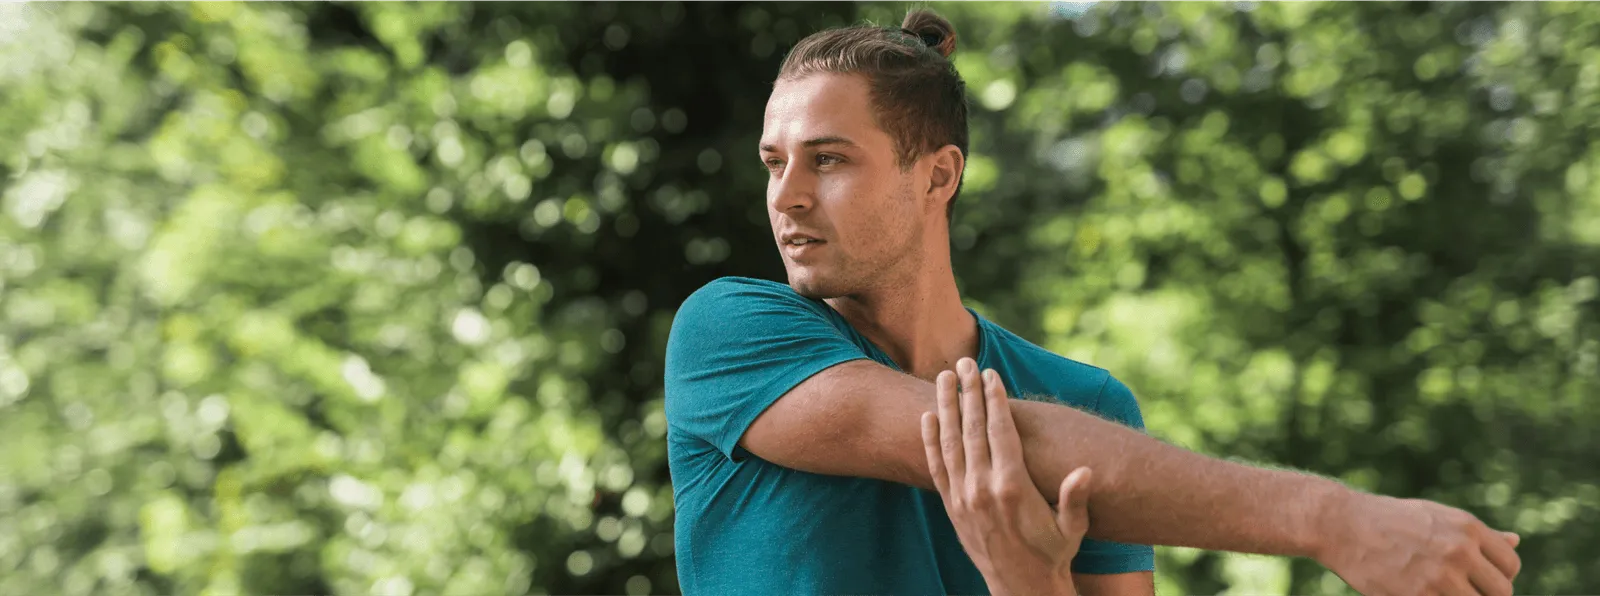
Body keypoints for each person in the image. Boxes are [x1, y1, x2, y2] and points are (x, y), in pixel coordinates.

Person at [664, 8, 1522, 596]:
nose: (788, 196)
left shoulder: (1090, 403)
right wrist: (1337, 521)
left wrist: (1032, 588)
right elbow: (981, 435)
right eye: (776, 163)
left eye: (829, 159)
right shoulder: (728, 332)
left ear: (937, 176)